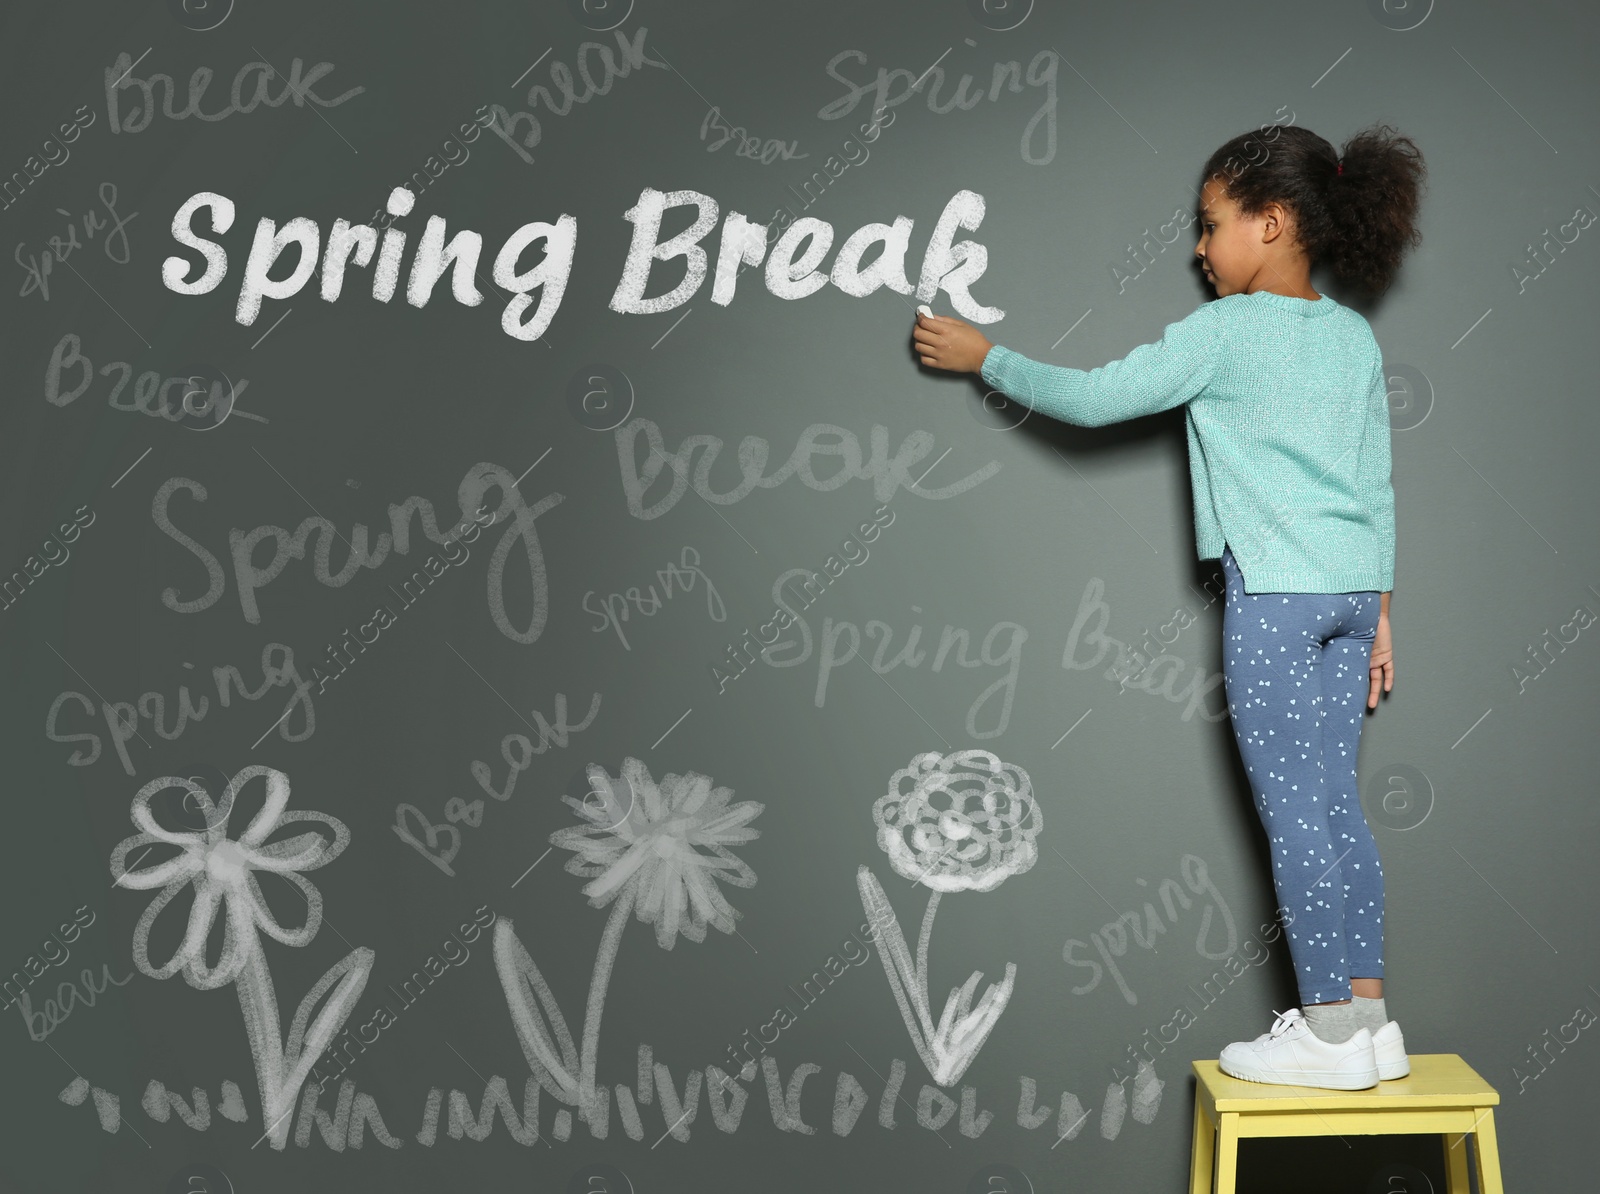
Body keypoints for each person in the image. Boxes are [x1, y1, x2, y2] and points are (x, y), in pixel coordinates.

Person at [911, 122, 1426, 1091]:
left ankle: (1323, 1034)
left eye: (1210, 224)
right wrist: (1383, 611)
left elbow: (1097, 399)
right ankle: (1368, 1022)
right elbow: (1376, 481)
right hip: (1352, 596)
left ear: (1269, 224)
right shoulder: (1351, 338)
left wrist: (992, 357)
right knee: (1337, 810)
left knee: (1295, 822)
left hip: (1275, 599)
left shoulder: (1224, 332)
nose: (1197, 248)